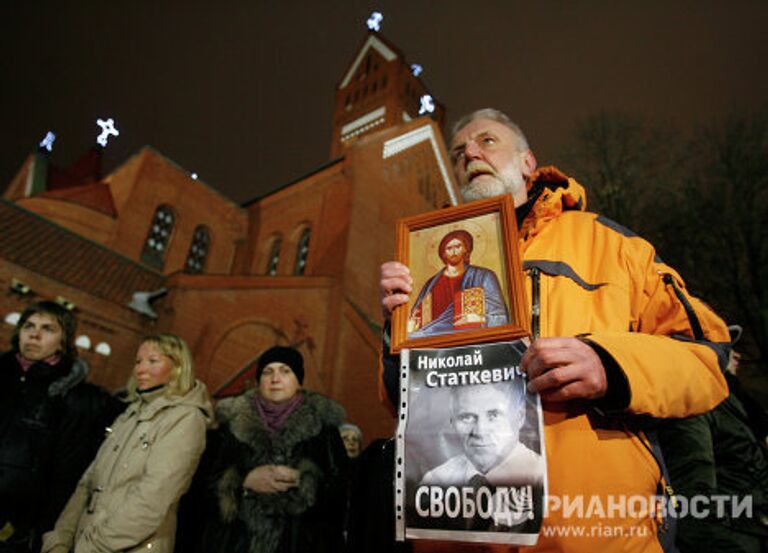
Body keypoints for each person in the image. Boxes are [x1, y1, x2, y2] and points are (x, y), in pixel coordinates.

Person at [380, 108, 731, 552]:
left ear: (528, 162)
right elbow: (406, 405)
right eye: (457, 152)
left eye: (486, 141)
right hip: (459, 536)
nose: (468, 153)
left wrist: (610, 364)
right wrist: (395, 334)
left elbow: (707, 358)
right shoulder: (423, 266)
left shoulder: (611, 244)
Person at [41, 333, 213, 553]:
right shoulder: (130, 413)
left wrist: (94, 546)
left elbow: (155, 496)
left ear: (178, 366)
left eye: (153, 361)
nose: (140, 369)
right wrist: (60, 539)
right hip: (86, 541)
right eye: (138, 361)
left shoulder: (186, 419)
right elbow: (88, 482)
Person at [0, 301, 122, 553]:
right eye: (28, 326)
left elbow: (66, 472)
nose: (34, 334)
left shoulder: (74, 397)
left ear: (63, 342)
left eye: (47, 329)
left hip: (18, 527)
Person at [209, 346, 348, 553]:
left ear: (298, 380)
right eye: (268, 372)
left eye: (285, 371)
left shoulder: (323, 428)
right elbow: (204, 483)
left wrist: (305, 480)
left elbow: (343, 489)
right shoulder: (231, 424)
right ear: (259, 380)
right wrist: (243, 481)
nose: (275, 378)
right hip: (237, 541)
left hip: (302, 540)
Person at [421, 382, 543, 487]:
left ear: (520, 418)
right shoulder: (436, 480)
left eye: (494, 416)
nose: (480, 432)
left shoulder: (544, 475)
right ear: (452, 423)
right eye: (467, 417)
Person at [409, 229, 509, 338]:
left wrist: (481, 319)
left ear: (466, 249)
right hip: (432, 339)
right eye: (449, 248)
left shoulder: (484, 276)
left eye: (458, 246)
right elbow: (416, 316)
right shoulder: (431, 284)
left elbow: (501, 317)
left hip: (469, 338)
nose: (454, 251)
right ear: (443, 253)